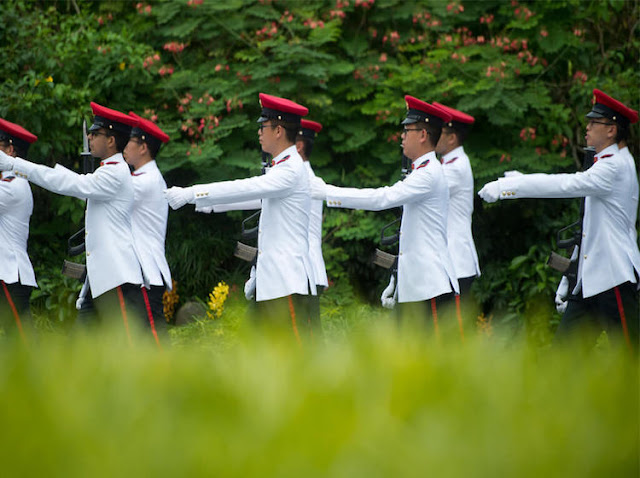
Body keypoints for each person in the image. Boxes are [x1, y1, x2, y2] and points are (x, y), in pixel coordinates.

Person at [479, 89, 640, 352]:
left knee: (631, 361)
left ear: (612, 130)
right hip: (590, 281)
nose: (586, 128)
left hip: (614, 278)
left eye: (593, 123)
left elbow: (566, 184)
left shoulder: (615, 166)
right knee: (563, 361)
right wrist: (570, 275)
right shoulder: (607, 163)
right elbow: (589, 227)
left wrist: (512, 186)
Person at [165, 93, 317, 344]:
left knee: (297, 360)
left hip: (287, 283)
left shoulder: (290, 170)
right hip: (272, 282)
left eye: (263, 126)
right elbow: (255, 199)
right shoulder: (281, 167)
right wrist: (203, 204)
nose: (259, 132)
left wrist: (191, 193)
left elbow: (246, 188)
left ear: (278, 130)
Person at [313, 95, 461, 338]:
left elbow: (382, 199)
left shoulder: (428, 174)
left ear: (423, 135)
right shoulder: (423, 171)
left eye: (407, 130)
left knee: (435, 364)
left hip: (430, 286)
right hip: (417, 286)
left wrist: (328, 193)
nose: (402, 136)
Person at [0, 102, 148, 342]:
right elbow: (73, 183)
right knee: (79, 350)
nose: (89, 136)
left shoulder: (115, 173)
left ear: (111, 140)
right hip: (102, 278)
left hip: (117, 276)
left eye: (95, 133)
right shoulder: (107, 171)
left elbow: (70, 184)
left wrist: (14, 165)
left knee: (130, 348)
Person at [124, 112, 172, 346]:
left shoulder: (145, 180)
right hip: (138, 271)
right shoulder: (142, 176)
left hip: (146, 272)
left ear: (143, 147)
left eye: (129, 141)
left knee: (154, 338)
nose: (125, 146)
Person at [433, 102, 481, 325]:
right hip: (449, 261)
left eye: (439, 133)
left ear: (452, 138)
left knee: (456, 332)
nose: (434, 137)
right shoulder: (449, 164)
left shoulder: (455, 167)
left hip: (456, 261)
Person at [0, 118, 38, 341]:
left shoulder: (14, 186)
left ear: (10, 151)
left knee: (23, 341)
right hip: (6, 273)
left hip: (10, 274)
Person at [296, 119, 328, 336]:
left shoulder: (305, 179)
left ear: (298, 146)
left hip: (305, 271)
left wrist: (207, 203)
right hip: (301, 272)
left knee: (309, 341)